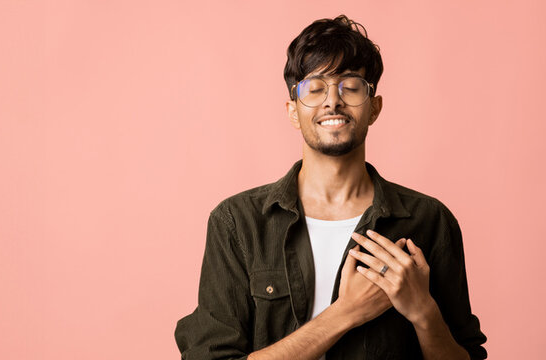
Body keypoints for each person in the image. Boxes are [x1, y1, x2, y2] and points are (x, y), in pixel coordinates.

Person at [173, 15, 487, 360]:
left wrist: (424, 312)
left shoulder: (430, 220)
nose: (333, 101)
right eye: (315, 88)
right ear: (293, 111)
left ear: (374, 108)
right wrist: (347, 311)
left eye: (350, 86)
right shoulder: (238, 222)